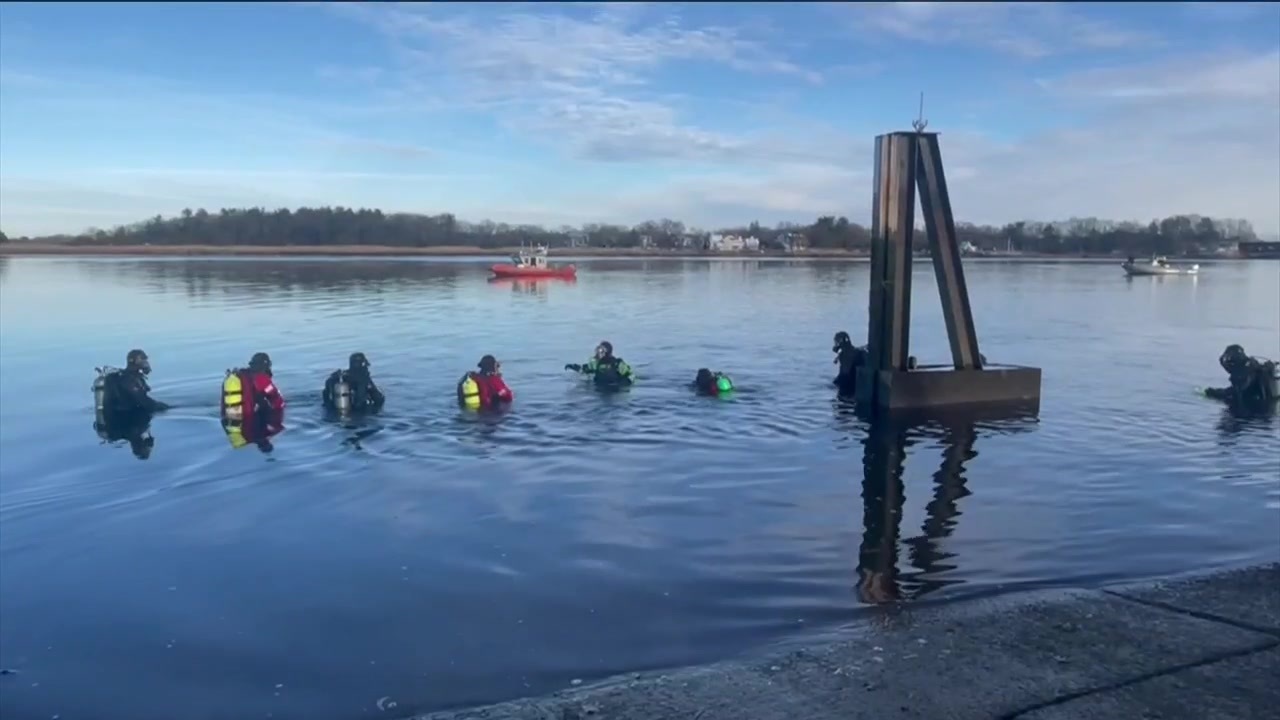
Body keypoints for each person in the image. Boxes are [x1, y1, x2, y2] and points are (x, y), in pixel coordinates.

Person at [94, 349, 171, 415]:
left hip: (123, 417)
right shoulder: (127, 380)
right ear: (136, 362)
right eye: (144, 359)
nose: (146, 362)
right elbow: (144, 401)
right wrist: (166, 408)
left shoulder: (132, 376)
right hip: (124, 420)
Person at [1204, 344, 1278, 410]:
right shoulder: (1249, 364)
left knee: (1213, 393)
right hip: (1260, 401)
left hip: (1250, 401)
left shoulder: (1245, 368)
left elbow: (1241, 387)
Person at [222, 352, 286, 424]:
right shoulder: (261, 378)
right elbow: (278, 402)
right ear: (265, 366)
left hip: (229, 420)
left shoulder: (238, 376)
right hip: (247, 421)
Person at [565, 341, 634, 388]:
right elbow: (584, 369)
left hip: (615, 390)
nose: (598, 353)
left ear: (607, 352)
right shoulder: (596, 363)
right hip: (599, 389)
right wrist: (573, 367)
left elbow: (630, 375)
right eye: (598, 350)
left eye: (601, 351)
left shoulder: (617, 363)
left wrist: (624, 383)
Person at [832, 331, 867, 397]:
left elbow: (845, 373)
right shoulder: (845, 354)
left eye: (837, 342)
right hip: (853, 382)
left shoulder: (846, 355)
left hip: (849, 383)